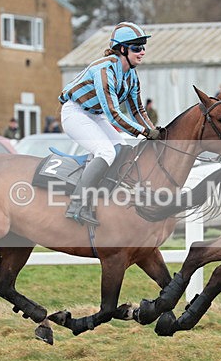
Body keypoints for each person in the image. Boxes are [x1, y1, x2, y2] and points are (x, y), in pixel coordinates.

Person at [58, 21, 159, 226]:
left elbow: (137, 110)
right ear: (122, 49)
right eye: (137, 48)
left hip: (94, 114)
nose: (142, 52)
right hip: (75, 113)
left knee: (121, 149)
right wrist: (145, 132)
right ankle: (76, 205)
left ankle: (102, 196)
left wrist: (154, 130)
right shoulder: (105, 70)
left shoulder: (131, 75)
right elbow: (113, 115)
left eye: (143, 47)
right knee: (106, 151)